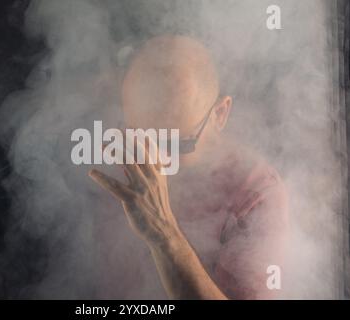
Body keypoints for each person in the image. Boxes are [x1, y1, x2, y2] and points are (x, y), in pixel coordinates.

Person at [89, 35, 289, 300]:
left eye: (172, 144)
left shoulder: (257, 195)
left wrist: (164, 236)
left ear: (219, 114)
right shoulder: (115, 155)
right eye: (137, 137)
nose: (153, 158)